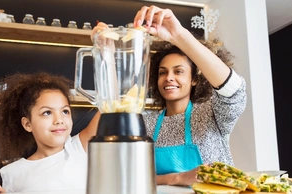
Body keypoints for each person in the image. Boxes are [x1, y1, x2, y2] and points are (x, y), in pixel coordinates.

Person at [92, 5, 246, 186]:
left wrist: (178, 35)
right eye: (162, 72)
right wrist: (107, 54)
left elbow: (234, 90)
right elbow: (132, 176)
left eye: (178, 71)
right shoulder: (145, 123)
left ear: (195, 79)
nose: (169, 78)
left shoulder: (211, 115)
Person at [0, 72, 100, 194]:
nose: (59, 120)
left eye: (65, 111)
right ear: (27, 124)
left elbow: (110, 103)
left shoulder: (79, 149)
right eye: (47, 112)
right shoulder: (13, 173)